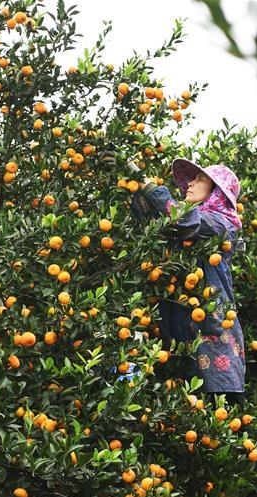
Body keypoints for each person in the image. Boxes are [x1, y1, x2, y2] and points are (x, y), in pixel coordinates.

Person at [100, 151, 247, 407]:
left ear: (217, 191)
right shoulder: (180, 224)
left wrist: (145, 181)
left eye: (199, 179)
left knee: (217, 410)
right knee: (177, 410)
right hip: (176, 333)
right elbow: (151, 219)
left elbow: (184, 218)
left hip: (211, 331)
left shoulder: (223, 224)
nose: (190, 183)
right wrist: (126, 176)